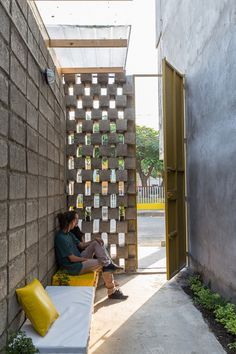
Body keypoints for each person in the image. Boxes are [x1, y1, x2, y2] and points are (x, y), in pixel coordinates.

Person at [55, 211, 128, 300]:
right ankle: (111, 291)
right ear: (72, 221)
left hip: (80, 258)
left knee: (97, 243)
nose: (77, 222)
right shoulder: (60, 238)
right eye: (76, 219)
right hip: (74, 267)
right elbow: (72, 259)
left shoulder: (69, 234)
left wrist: (94, 240)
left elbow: (81, 245)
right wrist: (84, 259)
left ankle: (109, 265)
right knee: (103, 264)